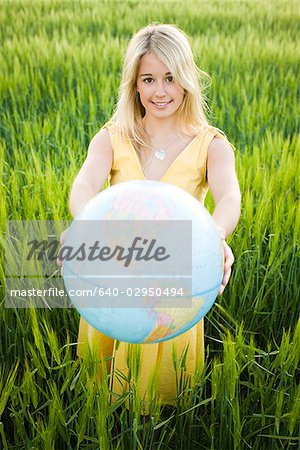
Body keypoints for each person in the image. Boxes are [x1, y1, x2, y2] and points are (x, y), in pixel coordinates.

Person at [65, 23, 241, 415]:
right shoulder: (112, 137)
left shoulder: (211, 144)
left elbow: (229, 197)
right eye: (149, 79)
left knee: (163, 401)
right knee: (102, 399)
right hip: (116, 275)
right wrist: (86, 225)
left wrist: (215, 234)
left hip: (171, 288)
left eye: (170, 78)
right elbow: (83, 186)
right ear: (135, 85)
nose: (160, 91)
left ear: (186, 82)